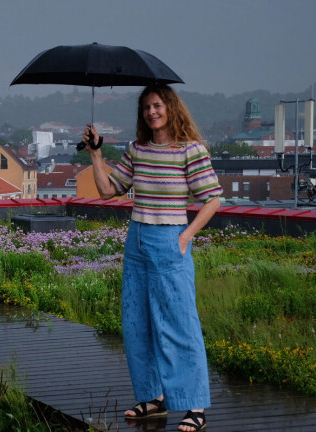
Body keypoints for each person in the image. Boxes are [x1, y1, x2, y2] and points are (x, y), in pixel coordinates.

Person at [83, 84, 222, 432]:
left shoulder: (190, 150)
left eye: (157, 105)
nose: (151, 112)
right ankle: (153, 398)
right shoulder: (138, 150)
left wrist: (186, 236)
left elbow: (213, 199)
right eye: (146, 107)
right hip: (137, 242)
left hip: (170, 240)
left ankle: (194, 406)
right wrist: (96, 155)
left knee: (179, 325)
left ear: (170, 107)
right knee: (136, 324)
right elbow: (107, 190)